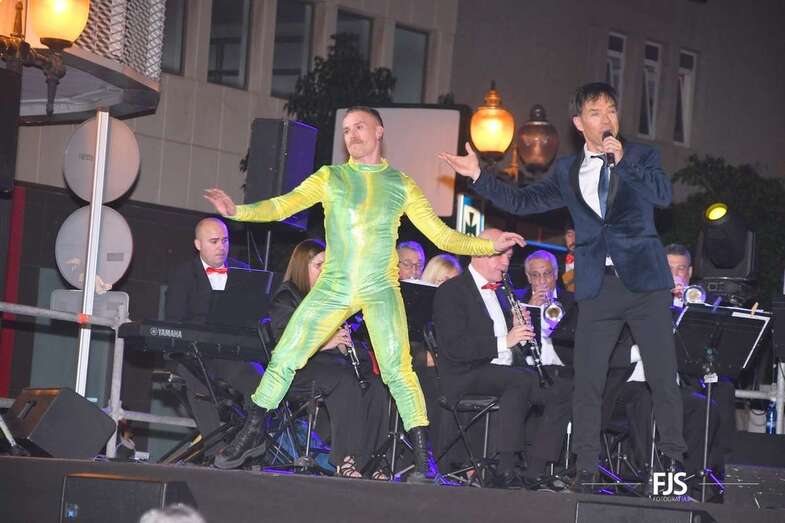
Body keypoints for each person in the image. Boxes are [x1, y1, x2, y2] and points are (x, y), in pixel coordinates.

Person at [204, 106, 524, 482]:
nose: (351, 134)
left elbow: (441, 236)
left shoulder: (400, 184)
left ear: (379, 132)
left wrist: (489, 246)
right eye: (346, 130)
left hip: (379, 287)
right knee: (286, 353)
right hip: (335, 284)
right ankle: (251, 434)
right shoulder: (331, 177)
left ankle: (424, 461)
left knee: (398, 370)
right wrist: (237, 211)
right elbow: (282, 205)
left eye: (359, 127)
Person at [439, 82, 687, 492]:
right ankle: (586, 469)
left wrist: (623, 162)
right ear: (578, 122)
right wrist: (479, 175)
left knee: (663, 377)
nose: (606, 119)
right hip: (598, 286)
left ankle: (673, 466)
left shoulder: (641, 156)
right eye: (596, 113)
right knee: (588, 381)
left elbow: (662, 197)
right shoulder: (567, 170)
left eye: (611, 110)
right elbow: (521, 202)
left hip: (646, 284)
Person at [433, 228, 572, 490]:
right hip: (465, 374)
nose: (506, 263)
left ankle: (535, 469)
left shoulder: (502, 292)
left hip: (504, 372)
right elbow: (454, 348)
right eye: (499, 256)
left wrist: (521, 332)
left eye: (508, 257)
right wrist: (505, 340)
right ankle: (505, 467)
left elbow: (511, 346)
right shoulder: (452, 291)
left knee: (563, 390)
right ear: (479, 253)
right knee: (519, 381)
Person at [255, 239, 388, 478]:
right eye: (319, 265)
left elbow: (343, 344)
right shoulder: (286, 298)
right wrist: (327, 342)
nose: (326, 271)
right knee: (343, 380)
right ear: (301, 267)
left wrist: (345, 347)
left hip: (329, 367)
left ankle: (372, 462)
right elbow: (287, 344)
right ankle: (345, 460)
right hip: (296, 372)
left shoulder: (330, 298)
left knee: (376, 386)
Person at [165, 217, 261, 440]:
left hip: (233, 351)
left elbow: (254, 316)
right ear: (198, 244)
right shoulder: (183, 275)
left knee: (262, 383)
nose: (221, 246)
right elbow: (174, 322)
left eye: (225, 240)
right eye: (214, 241)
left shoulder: (244, 271)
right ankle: (214, 447)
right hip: (195, 351)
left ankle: (250, 442)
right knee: (196, 382)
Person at [517, 250, 575, 482]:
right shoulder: (517, 300)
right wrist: (530, 308)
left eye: (547, 274)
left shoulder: (572, 302)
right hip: (529, 369)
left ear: (556, 274)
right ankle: (531, 466)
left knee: (564, 389)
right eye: (535, 275)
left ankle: (537, 467)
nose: (542, 281)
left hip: (564, 369)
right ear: (527, 277)